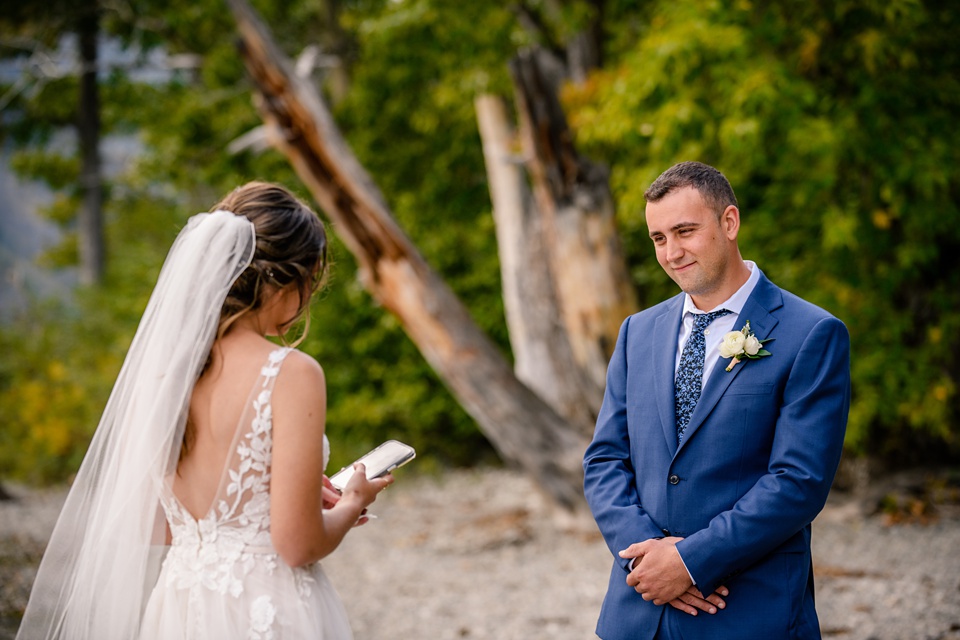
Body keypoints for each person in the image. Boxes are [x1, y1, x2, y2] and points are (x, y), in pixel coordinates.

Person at [17, 182, 391, 640]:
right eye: (311, 280)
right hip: (266, 608)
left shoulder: (165, 373)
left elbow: (151, 520)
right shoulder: (291, 373)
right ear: (285, 279)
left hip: (179, 607)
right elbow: (298, 546)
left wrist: (271, 496)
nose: (309, 296)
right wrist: (353, 501)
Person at [583, 161, 850, 640]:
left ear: (729, 222)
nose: (672, 252)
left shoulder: (810, 333)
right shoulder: (637, 332)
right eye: (659, 238)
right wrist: (648, 558)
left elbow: (798, 482)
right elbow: (605, 459)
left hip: (746, 610)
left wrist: (690, 562)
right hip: (638, 611)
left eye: (685, 231)